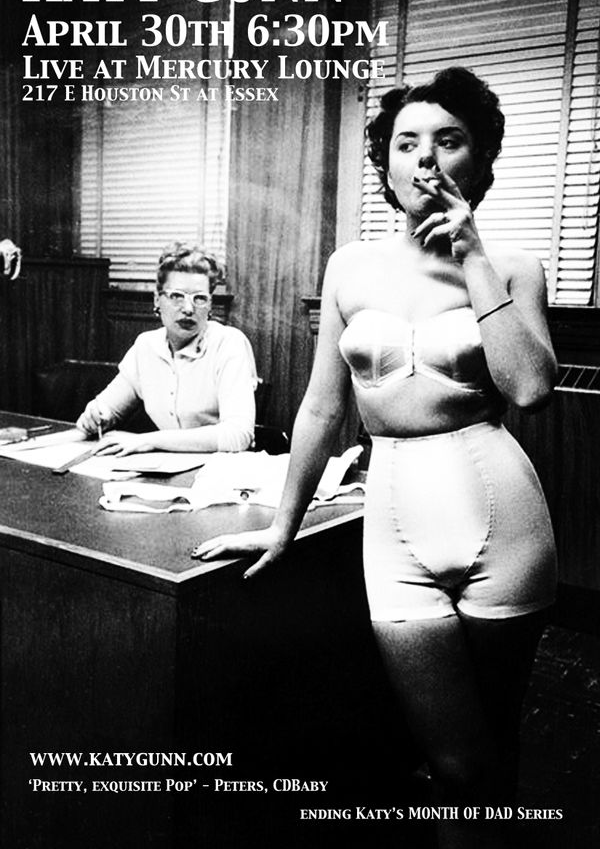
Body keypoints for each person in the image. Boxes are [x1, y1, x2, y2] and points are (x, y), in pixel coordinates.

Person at [192, 68, 558, 848]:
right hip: (392, 528)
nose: (426, 158)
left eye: (448, 140)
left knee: (495, 747)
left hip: (505, 520)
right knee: (453, 758)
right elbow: (322, 408)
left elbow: (529, 387)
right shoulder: (350, 267)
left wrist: (472, 255)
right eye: (406, 142)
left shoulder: (514, 265)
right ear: (385, 166)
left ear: (480, 161)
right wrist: (283, 526)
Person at [77, 243, 257, 455]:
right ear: (157, 299)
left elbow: (239, 435)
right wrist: (96, 416)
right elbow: (107, 408)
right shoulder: (146, 346)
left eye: (199, 298)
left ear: (209, 305)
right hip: (168, 467)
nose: (188, 308)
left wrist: (151, 440)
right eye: (177, 296)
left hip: (219, 468)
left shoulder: (228, 343)